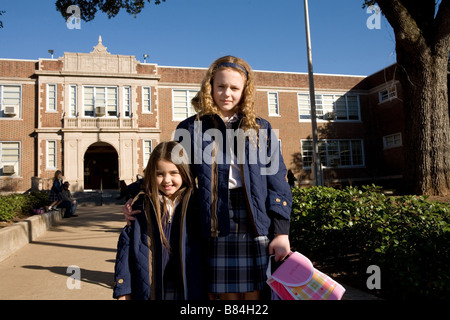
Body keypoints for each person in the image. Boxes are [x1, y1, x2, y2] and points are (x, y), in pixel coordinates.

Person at [123, 56, 292, 300]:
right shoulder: (190, 128)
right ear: (210, 87)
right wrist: (135, 196)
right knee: (223, 293)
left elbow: (278, 182)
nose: (227, 94)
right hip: (213, 215)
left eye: (235, 88)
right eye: (221, 86)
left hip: (254, 218)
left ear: (245, 91)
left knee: (256, 291)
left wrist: (281, 232)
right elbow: (171, 170)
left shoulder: (262, 129)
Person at [113, 141, 206, 300]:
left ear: (184, 172)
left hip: (187, 288)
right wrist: (123, 289)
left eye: (174, 172)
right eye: (160, 174)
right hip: (150, 289)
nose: (166, 180)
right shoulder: (141, 207)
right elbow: (126, 250)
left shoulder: (196, 206)